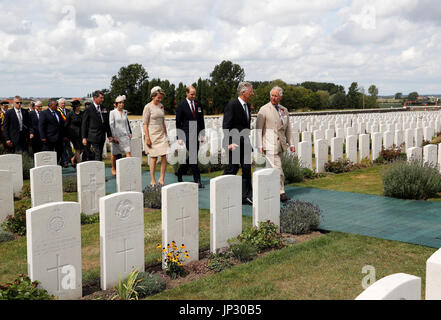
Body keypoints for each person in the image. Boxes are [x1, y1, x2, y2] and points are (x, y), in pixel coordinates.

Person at [255, 86, 295, 202]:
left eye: (276, 96)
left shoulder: (284, 110)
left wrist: (291, 143)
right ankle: (281, 192)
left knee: (272, 170)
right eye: (272, 95)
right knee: (278, 169)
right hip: (269, 144)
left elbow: (287, 129)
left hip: (281, 144)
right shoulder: (264, 109)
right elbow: (258, 129)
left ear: (280, 97)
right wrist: (259, 145)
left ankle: (267, 190)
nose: (273, 97)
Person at [222, 82, 254, 205]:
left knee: (246, 169)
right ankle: (220, 189)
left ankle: (246, 196)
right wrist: (227, 144)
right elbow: (226, 125)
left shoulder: (247, 106)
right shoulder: (232, 105)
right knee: (232, 169)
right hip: (234, 144)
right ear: (243, 92)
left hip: (245, 143)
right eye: (251, 91)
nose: (252, 93)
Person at [175, 85, 205, 188]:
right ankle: (198, 181)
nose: (193, 96)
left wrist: (202, 134)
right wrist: (179, 137)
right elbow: (178, 122)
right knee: (193, 157)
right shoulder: (181, 106)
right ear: (187, 93)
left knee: (193, 157)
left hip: (196, 133)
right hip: (187, 133)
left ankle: (180, 171)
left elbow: (201, 120)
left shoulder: (198, 104)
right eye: (191, 94)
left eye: (194, 94)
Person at [142, 86, 169, 186]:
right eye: (158, 97)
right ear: (153, 96)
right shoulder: (147, 107)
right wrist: (147, 138)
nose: (160, 99)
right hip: (152, 134)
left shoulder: (161, 106)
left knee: (164, 155)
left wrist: (166, 135)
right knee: (153, 157)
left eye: (161, 97)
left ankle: (161, 178)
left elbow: (163, 121)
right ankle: (152, 179)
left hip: (161, 133)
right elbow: (145, 123)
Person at [81, 90, 113, 161]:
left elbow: (106, 123)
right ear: (95, 98)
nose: (102, 100)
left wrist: (109, 135)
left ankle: (94, 165)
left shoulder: (104, 108)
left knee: (99, 153)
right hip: (93, 136)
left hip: (102, 136)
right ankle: (98, 169)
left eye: (103, 98)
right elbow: (84, 124)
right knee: (98, 154)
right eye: (101, 98)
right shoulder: (89, 109)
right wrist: (84, 137)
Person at [109, 95, 132, 175]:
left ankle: (128, 169)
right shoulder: (112, 113)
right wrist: (113, 137)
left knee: (128, 152)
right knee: (114, 154)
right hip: (116, 137)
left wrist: (129, 133)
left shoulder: (125, 112)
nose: (122, 104)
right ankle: (113, 168)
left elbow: (126, 124)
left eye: (123, 103)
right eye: (120, 103)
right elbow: (111, 125)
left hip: (125, 136)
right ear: (116, 104)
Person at [39, 99, 67, 163]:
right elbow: (41, 126)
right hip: (49, 138)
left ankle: (56, 162)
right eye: (56, 105)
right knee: (49, 153)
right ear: (51, 105)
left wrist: (64, 135)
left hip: (59, 137)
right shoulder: (44, 113)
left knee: (60, 151)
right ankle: (50, 164)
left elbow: (62, 125)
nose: (57, 106)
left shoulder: (58, 112)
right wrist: (42, 137)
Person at [65, 100, 84, 167]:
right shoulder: (70, 114)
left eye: (79, 106)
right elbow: (66, 125)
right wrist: (66, 135)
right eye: (77, 106)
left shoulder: (82, 113)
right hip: (73, 134)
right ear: (74, 107)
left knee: (82, 149)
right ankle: (79, 164)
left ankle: (73, 159)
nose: (79, 107)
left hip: (81, 134)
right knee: (77, 149)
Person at [58, 98, 73, 167]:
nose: (63, 104)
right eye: (62, 103)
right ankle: (65, 161)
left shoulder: (68, 111)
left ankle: (71, 159)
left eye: (64, 103)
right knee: (63, 148)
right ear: (59, 104)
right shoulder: (57, 111)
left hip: (68, 132)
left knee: (68, 147)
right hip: (61, 133)